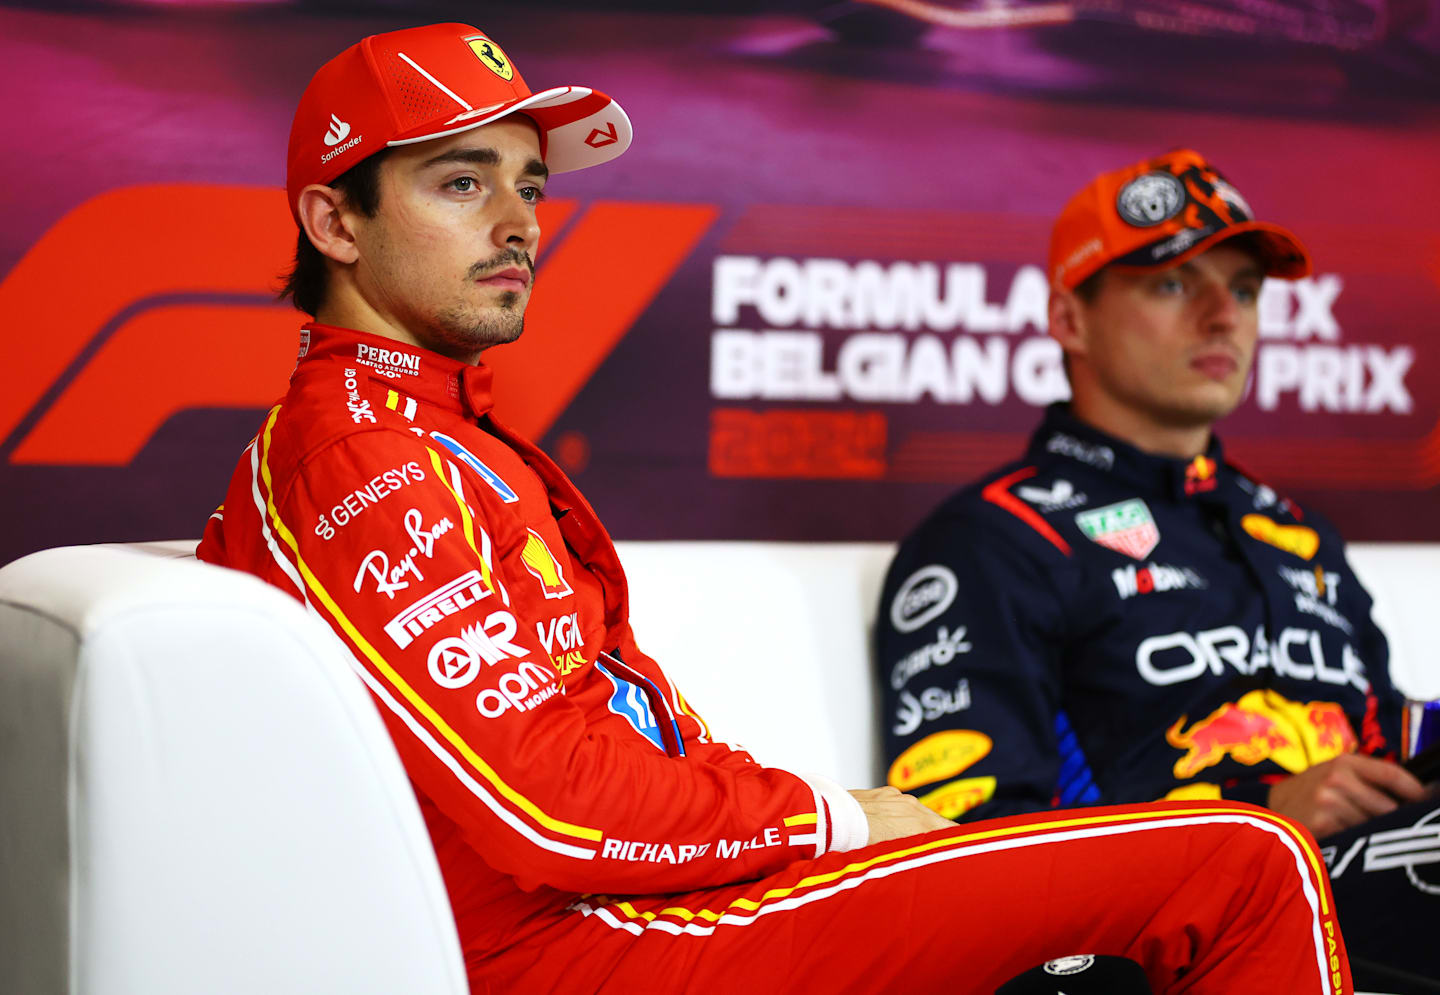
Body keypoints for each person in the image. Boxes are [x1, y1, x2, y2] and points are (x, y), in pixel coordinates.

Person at [201, 31, 1351, 992]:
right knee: (1248, 857)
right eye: (462, 181)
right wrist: (832, 820)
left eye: (529, 182)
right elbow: (546, 808)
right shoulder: (361, 456)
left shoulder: (433, 436)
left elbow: (619, 743)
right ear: (335, 223)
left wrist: (816, 823)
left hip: (628, 908)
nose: (518, 219)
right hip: (559, 944)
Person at [876, 148, 1436, 987]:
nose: (1224, 317)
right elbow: (967, 852)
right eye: (1175, 284)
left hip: (1369, 911)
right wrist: (1261, 820)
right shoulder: (993, 540)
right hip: (1181, 938)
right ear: (1070, 320)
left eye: (1244, 290)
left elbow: (1385, 744)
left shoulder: (1299, 534)